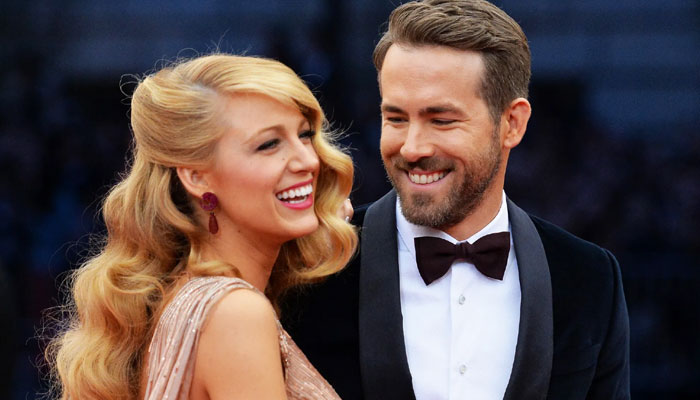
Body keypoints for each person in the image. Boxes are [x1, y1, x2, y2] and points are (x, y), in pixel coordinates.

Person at [281, 1, 630, 399]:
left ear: (512, 124)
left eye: (441, 120)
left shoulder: (589, 278)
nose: (412, 148)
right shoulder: (315, 265)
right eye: (396, 119)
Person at [45, 54, 357, 399]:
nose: (308, 160)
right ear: (196, 177)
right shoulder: (236, 314)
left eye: (305, 135)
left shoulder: (183, 301)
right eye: (269, 144)